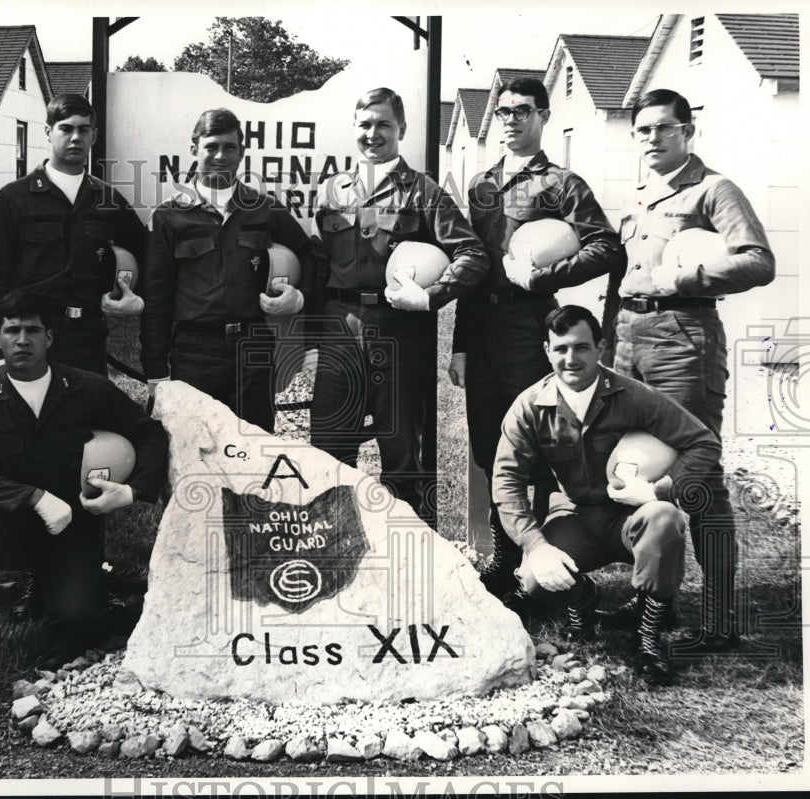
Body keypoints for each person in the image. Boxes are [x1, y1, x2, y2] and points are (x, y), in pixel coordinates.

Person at [602, 89, 776, 653]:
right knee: (646, 468)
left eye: (663, 129)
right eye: (643, 130)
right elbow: (621, 277)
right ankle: (657, 598)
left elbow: (757, 260)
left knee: (697, 475)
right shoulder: (640, 196)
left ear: (687, 132)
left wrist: (684, 278)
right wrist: (609, 343)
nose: (652, 139)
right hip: (630, 339)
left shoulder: (714, 189)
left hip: (683, 341)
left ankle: (721, 617)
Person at [450, 77, 626, 600]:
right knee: (490, 445)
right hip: (482, 327)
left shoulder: (562, 183)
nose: (510, 119)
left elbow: (607, 249)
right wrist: (459, 344)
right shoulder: (481, 184)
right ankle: (505, 561)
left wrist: (545, 277)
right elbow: (473, 266)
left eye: (522, 111)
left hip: (532, 327)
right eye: (503, 111)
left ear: (543, 116)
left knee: (544, 448)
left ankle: (551, 561)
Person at [493, 305, 720, 684]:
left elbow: (703, 442)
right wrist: (535, 546)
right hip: (576, 517)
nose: (571, 359)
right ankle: (583, 597)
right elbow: (506, 480)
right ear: (547, 350)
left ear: (601, 347)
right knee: (533, 579)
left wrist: (661, 488)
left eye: (581, 347)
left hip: (629, 518)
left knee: (664, 518)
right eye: (560, 349)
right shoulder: (530, 406)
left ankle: (647, 636)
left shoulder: (634, 396)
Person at [0, 291, 168, 670]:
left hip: (68, 527)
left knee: (82, 620)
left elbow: (149, 433)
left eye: (33, 330)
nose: (22, 340)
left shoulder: (86, 388)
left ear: (50, 338)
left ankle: (51, 588)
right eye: (12, 330)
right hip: (3, 523)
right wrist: (32, 496)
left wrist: (132, 491)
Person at [309, 87, 490, 520]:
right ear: (354, 128)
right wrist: (305, 339)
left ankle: (410, 560)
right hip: (339, 328)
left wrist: (430, 297)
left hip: (400, 333)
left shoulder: (423, 191)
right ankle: (335, 551)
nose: (373, 133)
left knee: (403, 453)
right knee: (328, 449)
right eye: (365, 124)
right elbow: (317, 266)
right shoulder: (332, 190)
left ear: (402, 130)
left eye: (384, 125)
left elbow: (473, 255)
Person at [140, 108, 314, 433]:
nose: (220, 156)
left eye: (229, 147)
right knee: (194, 451)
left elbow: (310, 256)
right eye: (211, 146)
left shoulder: (264, 209)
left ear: (241, 153)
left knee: (252, 450)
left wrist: (300, 298)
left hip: (253, 347)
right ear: (194, 150)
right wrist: (155, 370)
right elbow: (156, 298)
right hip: (194, 352)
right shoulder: (168, 217)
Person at [0, 93, 147, 376]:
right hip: (30, 340)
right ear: (48, 132)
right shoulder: (12, 199)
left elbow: (147, 253)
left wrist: (136, 299)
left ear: (94, 135)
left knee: (89, 419)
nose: (75, 137)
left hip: (88, 339)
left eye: (83, 130)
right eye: (66, 128)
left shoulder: (108, 198)